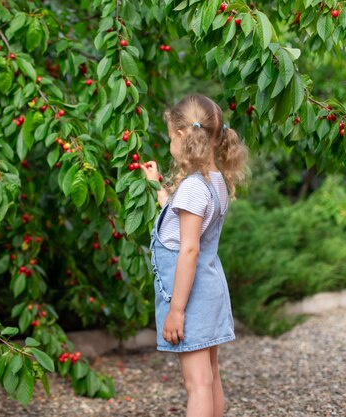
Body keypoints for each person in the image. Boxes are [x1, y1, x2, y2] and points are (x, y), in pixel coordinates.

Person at [140, 94, 249, 417]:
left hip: (191, 297)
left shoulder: (192, 187)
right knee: (210, 376)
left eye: (171, 136)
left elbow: (187, 249)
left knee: (197, 383)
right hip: (211, 288)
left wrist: (176, 310)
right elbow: (182, 221)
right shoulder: (214, 182)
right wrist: (159, 188)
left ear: (182, 135)